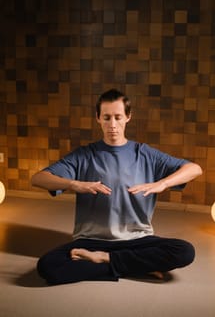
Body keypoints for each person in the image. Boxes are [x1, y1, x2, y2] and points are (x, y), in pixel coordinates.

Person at [31, 89, 202, 285]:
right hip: (91, 241)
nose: (112, 125)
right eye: (106, 117)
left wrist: (162, 183)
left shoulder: (145, 154)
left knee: (185, 251)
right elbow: (39, 178)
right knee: (47, 266)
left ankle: (105, 261)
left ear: (128, 117)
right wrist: (74, 184)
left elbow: (194, 168)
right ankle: (136, 266)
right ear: (98, 118)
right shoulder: (83, 155)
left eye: (118, 117)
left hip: (136, 241)